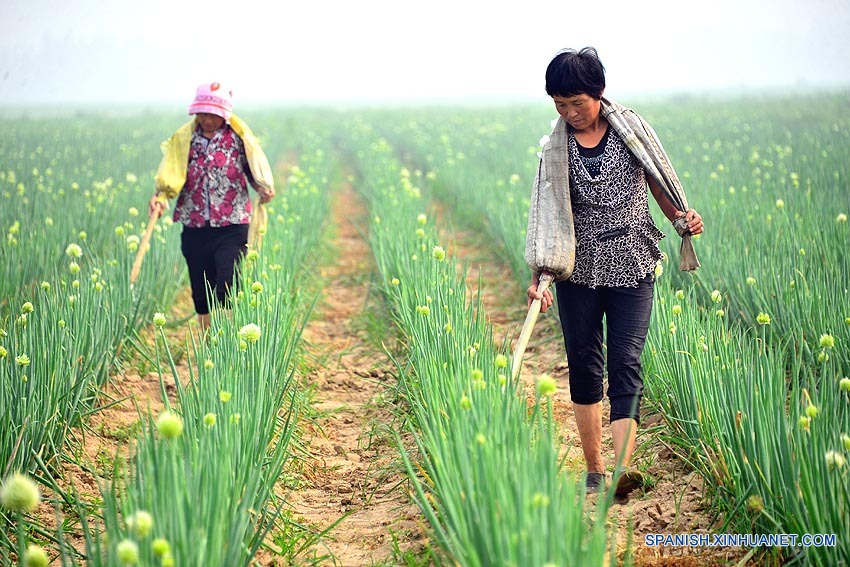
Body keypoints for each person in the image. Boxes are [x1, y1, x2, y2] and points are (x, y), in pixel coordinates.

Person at [524, 48, 704, 497]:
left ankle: (622, 471)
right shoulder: (555, 149)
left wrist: (682, 217)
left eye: (577, 103)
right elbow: (548, 215)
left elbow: (659, 183)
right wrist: (540, 275)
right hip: (578, 274)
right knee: (585, 367)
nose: (570, 113)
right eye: (560, 105)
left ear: (599, 94)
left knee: (626, 363)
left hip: (633, 265)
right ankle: (594, 468)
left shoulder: (631, 132)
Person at [148, 82, 275, 331]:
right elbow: (172, 173)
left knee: (228, 281)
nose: (207, 119)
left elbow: (252, 169)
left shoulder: (238, 139)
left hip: (232, 223)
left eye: (213, 114)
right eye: (202, 113)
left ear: (224, 114)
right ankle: (208, 341)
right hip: (195, 225)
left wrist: (263, 187)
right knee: (201, 285)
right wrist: (160, 197)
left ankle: (227, 338)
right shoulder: (184, 140)